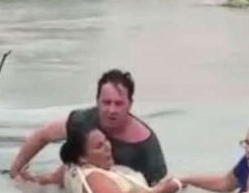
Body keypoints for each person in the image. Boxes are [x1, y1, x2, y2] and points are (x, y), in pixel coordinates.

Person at [9, 69, 168, 186]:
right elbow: (42, 136)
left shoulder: (146, 145)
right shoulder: (84, 120)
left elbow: (157, 189)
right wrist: (15, 171)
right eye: (106, 102)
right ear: (97, 101)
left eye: (118, 104)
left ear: (130, 105)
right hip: (78, 181)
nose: (111, 110)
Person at [56, 125, 180, 193]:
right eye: (99, 146)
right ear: (82, 157)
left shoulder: (69, 166)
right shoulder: (94, 179)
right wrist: (162, 189)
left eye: (106, 140)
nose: (108, 147)